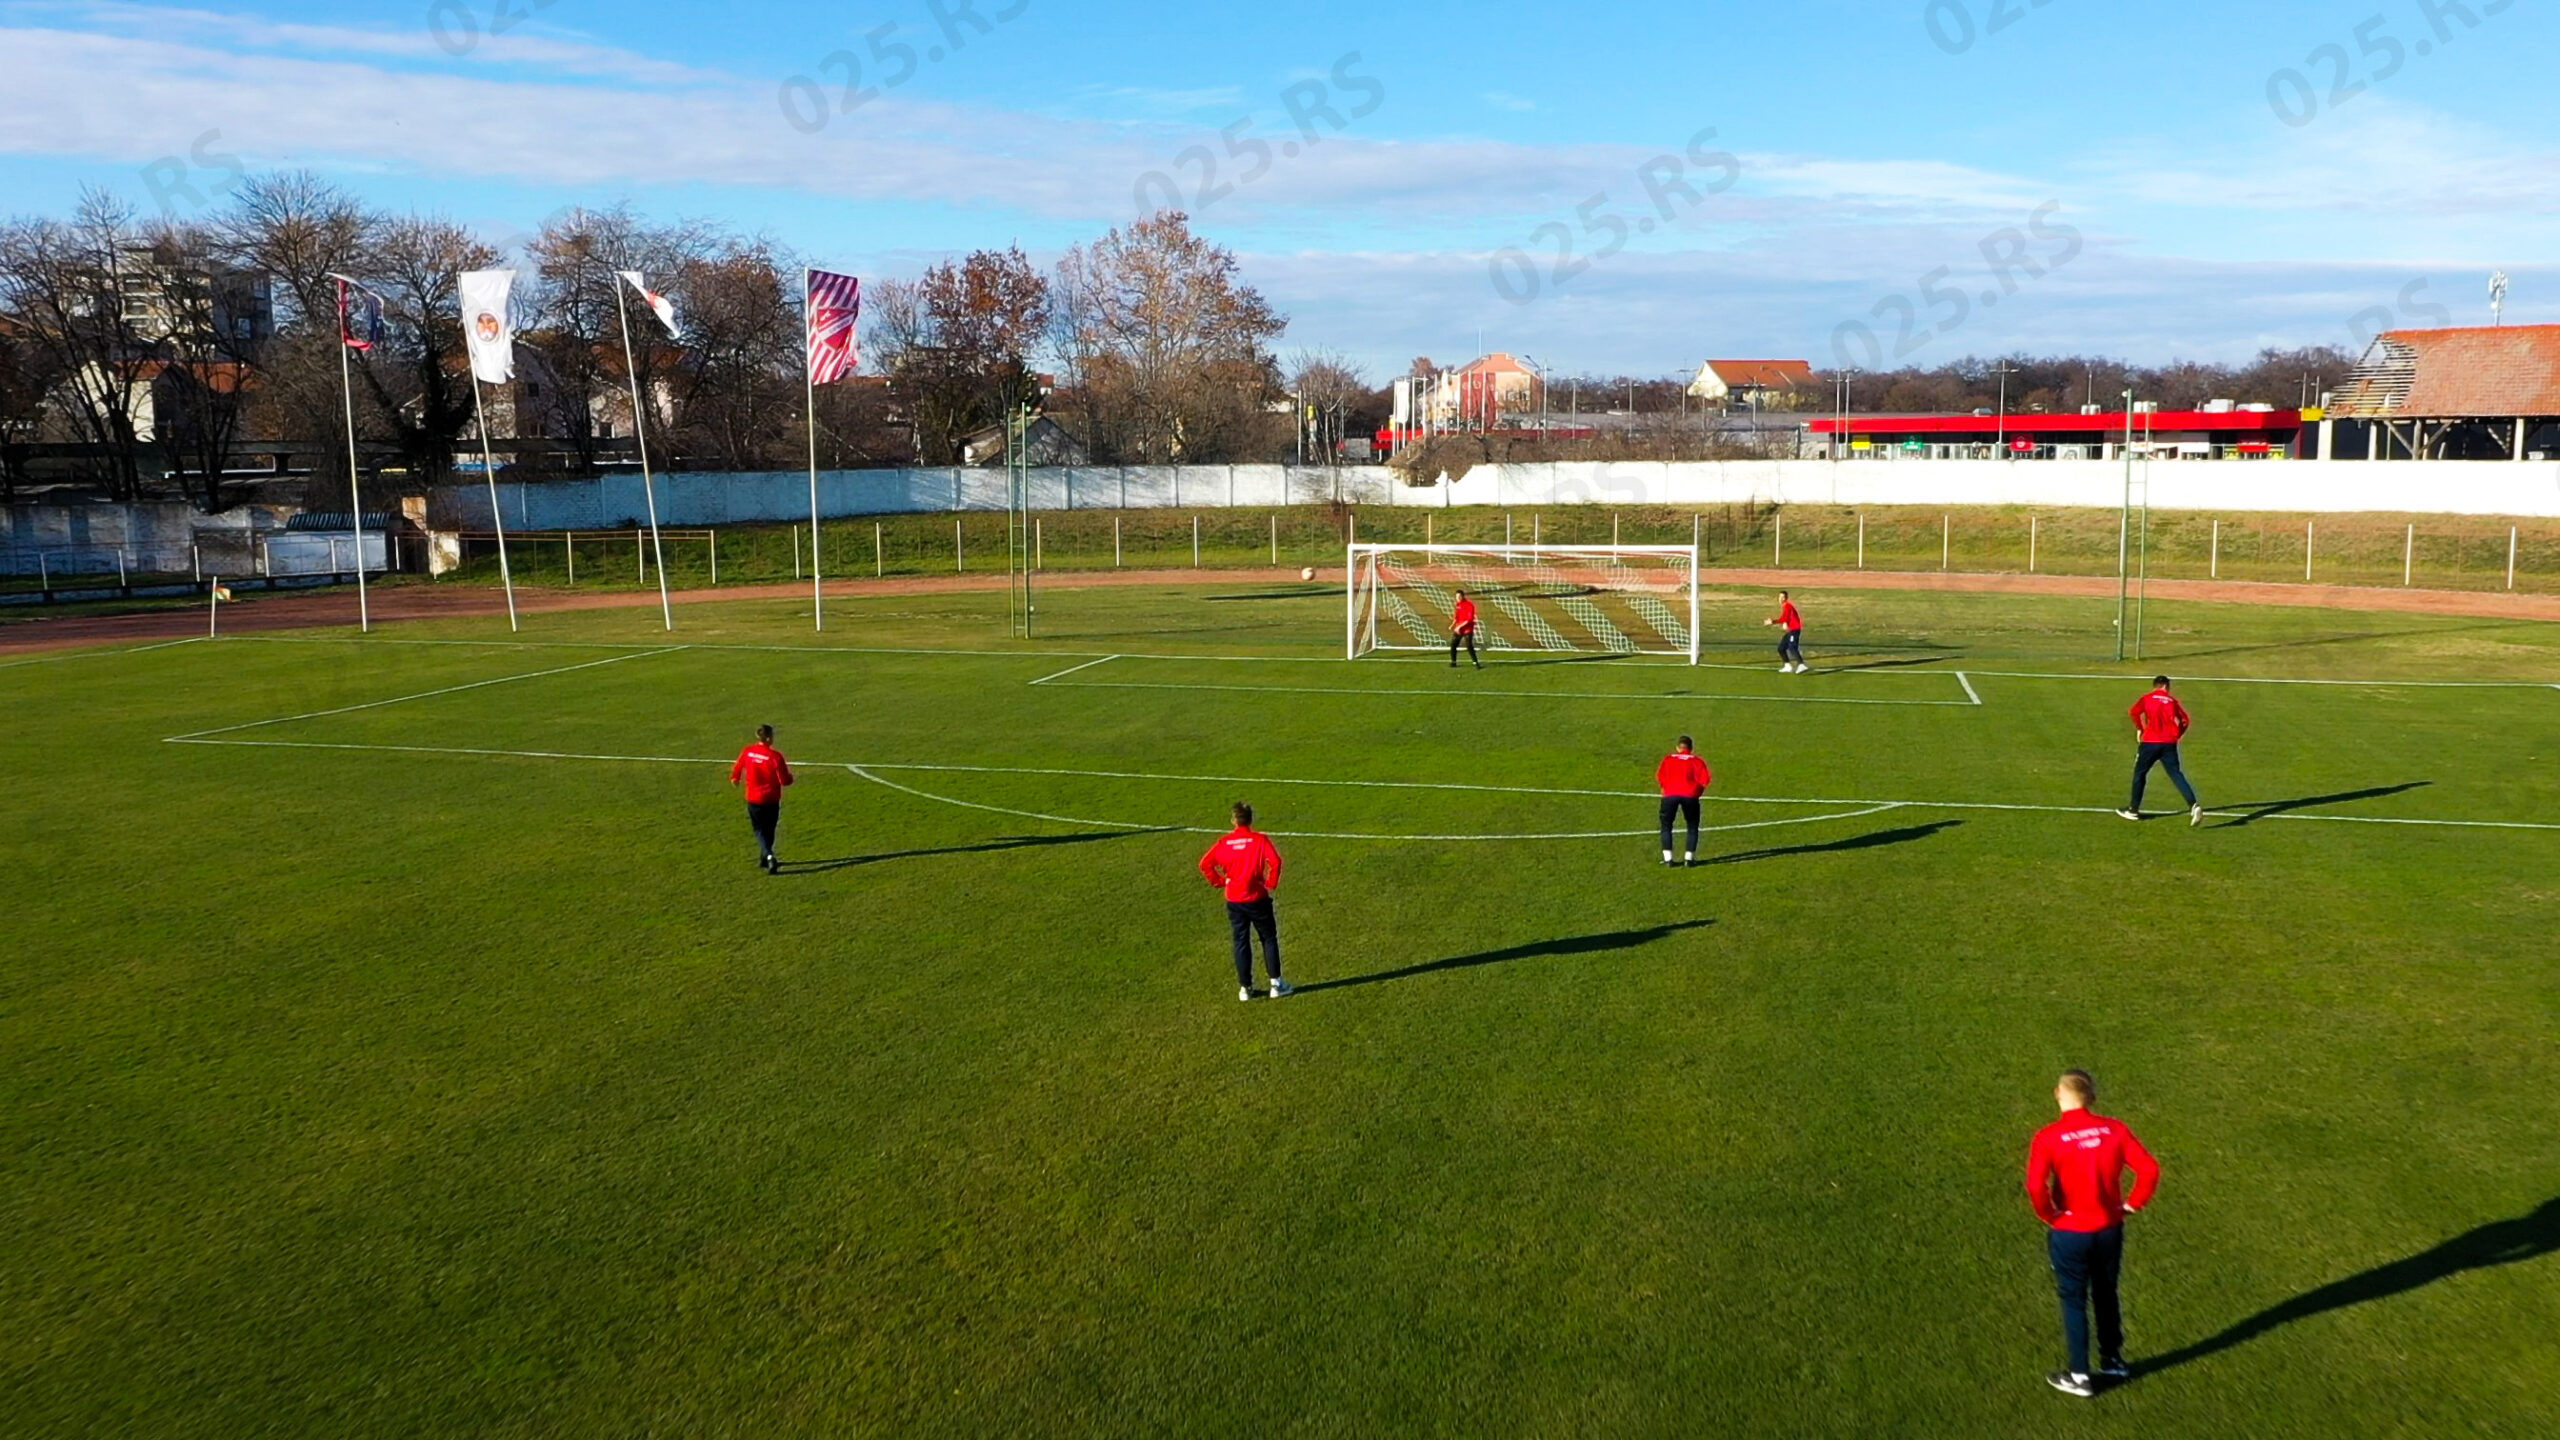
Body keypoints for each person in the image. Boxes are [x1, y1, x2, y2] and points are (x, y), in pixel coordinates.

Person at [2027, 1069, 2162, 1397]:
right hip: (2108, 1229)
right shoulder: (2114, 1129)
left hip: (2070, 1231)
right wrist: (2132, 1205)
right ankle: (2113, 1361)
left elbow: (2035, 1185)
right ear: (2092, 1097)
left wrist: (2051, 1215)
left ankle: (2078, 1376)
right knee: (2106, 1292)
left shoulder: (2048, 1137)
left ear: (2057, 1094)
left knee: (2073, 1299)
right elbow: (2149, 1168)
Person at [1200, 802, 1291, 1001]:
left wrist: (1220, 881)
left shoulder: (1224, 843)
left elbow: (1205, 864)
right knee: (1268, 938)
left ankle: (1245, 988)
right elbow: (1275, 862)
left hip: (1234, 899)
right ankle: (1276, 984)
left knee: (1241, 941)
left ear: (1233, 820)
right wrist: (1271, 882)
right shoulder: (1260, 840)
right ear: (1250, 819)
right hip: (1257, 897)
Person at [2118, 677, 2203, 825]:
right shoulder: (2172, 701)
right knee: (2176, 774)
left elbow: (2133, 712)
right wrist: (2177, 734)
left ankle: (2133, 809)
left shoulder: (2147, 698)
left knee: (2140, 773)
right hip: (2169, 743)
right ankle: (2194, 805)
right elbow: (2185, 720)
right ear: (2165, 686)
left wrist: (2140, 728)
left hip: (2150, 742)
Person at [729, 723, 794, 873]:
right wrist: (791, 778)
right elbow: (784, 780)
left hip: (753, 798)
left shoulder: (748, 751)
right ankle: (769, 856)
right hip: (771, 798)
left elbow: (738, 767)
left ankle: (766, 857)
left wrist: (735, 778)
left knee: (759, 829)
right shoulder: (775, 756)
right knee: (769, 829)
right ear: (769, 738)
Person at [1655, 735, 1714, 867]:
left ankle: (1668, 859)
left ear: (1678, 747)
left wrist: (1665, 788)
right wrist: (1697, 793)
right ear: (1691, 748)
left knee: (1666, 826)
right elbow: (1704, 780)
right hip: (1690, 796)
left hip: (1670, 795)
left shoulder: (1668, 759)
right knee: (1692, 827)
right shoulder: (1697, 761)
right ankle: (1689, 858)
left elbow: (1660, 776)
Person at [1764, 590, 1808, 673]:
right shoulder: (1785, 606)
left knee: (1792, 648)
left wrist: (1773, 622)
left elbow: (1784, 618)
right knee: (1781, 648)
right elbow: (1787, 618)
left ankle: (1801, 664)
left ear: (1786, 598)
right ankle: (1787, 666)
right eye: (1780, 597)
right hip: (1791, 630)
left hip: (1795, 630)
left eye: (1783, 597)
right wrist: (1785, 623)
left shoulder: (1787, 606)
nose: (1781, 599)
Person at [1449, 589, 1482, 669]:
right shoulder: (1457, 605)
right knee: (1453, 645)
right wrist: (1452, 625)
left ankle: (1476, 663)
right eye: (1457, 597)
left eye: (1459, 596)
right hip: (1459, 629)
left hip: (1467, 629)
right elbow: (1457, 617)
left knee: (1469, 646)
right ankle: (1453, 662)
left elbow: (1469, 619)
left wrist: (1459, 627)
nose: (1458, 598)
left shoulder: (1469, 605)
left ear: (1463, 596)